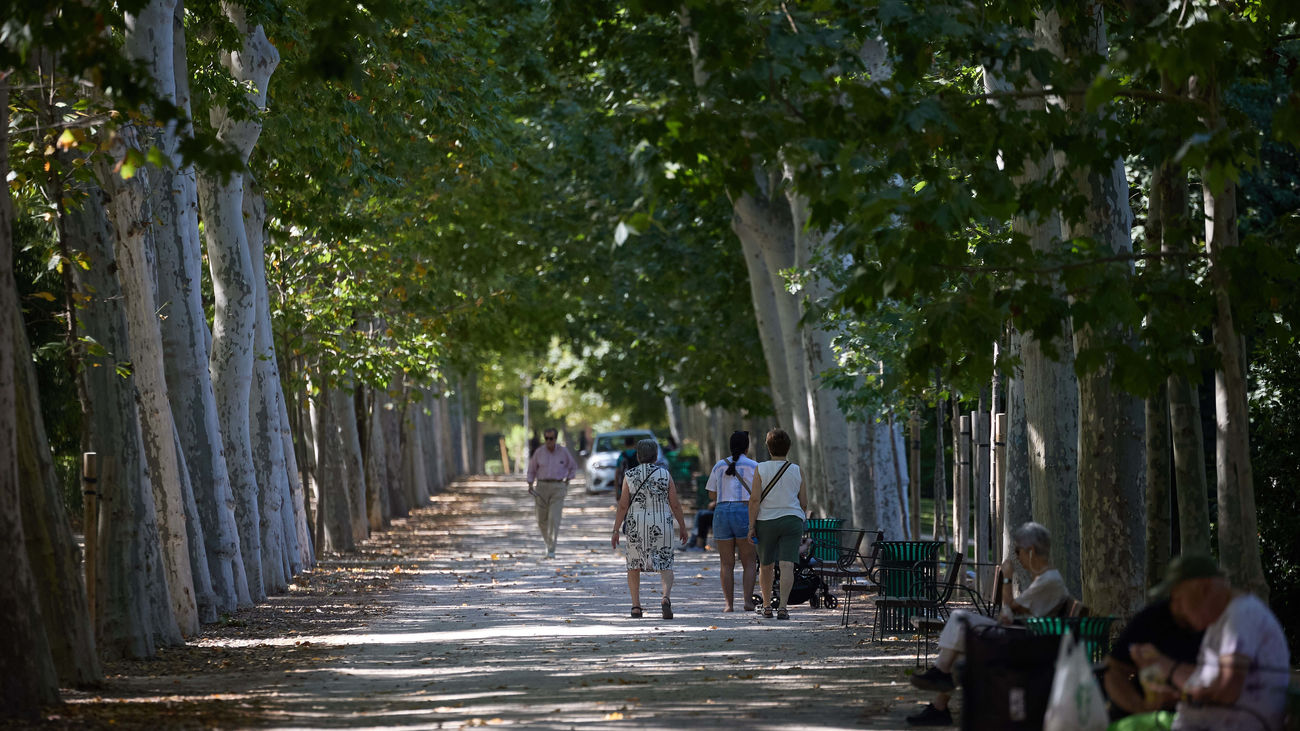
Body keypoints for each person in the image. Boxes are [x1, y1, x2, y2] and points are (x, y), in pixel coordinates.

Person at [907, 521, 1069, 726]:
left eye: (1018, 551)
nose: (1017, 558)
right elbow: (1014, 611)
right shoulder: (1045, 579)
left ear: (1031, 551)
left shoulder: (1048, 580)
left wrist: (1007, 577)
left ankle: (940, 672)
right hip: (1023, 639)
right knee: (962, 649)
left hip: (1024, 645)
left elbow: (1010, 605)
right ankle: (939, 704)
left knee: (959, 618)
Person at [1123, 554, 1290, 731]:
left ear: (1203, 588)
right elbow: (1209, 684)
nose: (1175, 608)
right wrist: (1178, 695)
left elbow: (1227, 692)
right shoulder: (1220, 620)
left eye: (1178, 599)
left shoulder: (1241, 616)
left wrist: (1164, 664)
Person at [1103, 585, 1205, 723]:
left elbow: (1224, 686)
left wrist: (1180, 694)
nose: (1177, 605)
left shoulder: (1223, 623)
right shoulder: (1153, 617)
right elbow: (1114, 669)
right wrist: (1141, 708)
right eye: (1174, 598)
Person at [612, 438, 689, 619]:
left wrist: (615, 530)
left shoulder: (629, 475)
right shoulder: (664, 475)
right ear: (655, 456)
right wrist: (683, 527)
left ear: (638, 456)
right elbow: (675, 504)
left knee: (634, 565)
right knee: (665, 562)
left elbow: (623, 505)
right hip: (661, 522)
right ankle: (665, 597)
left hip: (636, 523)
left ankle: (636, 606)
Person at [747, 428, 807, 620]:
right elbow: (804, 501)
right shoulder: (797, 470)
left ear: (768, 447)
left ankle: (766, 606)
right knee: (787, 564)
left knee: (766, 565)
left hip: (766, 521)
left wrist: (751, 525)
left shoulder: (761, 468)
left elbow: (755, 500)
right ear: (788, 448)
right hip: (791, 519)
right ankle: (783, 607)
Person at [704, 430, 759, 612]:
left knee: (726, 563)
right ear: (747, 446)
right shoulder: (754, 466)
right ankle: (748, 601)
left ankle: (728, 604)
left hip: (722, 512)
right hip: (744, 512)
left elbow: (711, 494)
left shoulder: (719, 466)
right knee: (749, 561)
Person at [525, 427, 577, 559]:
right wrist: (530, 483)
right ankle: (548, 543)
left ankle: (551, 549)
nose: (549, 441)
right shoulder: (539, 452)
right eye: (546, 438)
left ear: (555, 438)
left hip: (558, 487)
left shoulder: (563, 452)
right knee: (541, 519)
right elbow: (532, 469)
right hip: (541, 487)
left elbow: (573, 467)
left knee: (554, 518)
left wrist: (567, 481)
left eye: (551, 438)